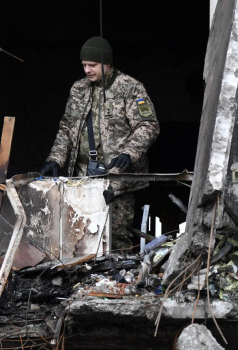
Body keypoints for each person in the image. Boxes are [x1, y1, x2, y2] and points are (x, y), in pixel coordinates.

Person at [40, 36, 159, 249]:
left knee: (116, 239)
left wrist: (130, 153)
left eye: (92, 65)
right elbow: (66, 129)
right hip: (83, 178)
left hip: (117, 180)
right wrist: (55, 159)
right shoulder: (78, 89)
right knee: (80, 238)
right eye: (84, 65)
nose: (87, 70)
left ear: (107, 63)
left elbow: (148, 125)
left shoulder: (130, 88)